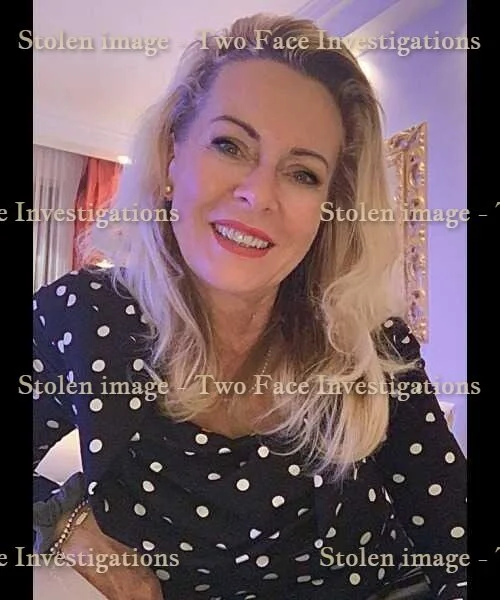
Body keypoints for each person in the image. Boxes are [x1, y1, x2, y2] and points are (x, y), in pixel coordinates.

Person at [32, 12, 467, 600]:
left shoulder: (370, 341)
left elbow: (453, 535)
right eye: (230, 145)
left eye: (303, 173)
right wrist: (67, 527)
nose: (259, 195)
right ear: (171, 157)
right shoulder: (82, 317)